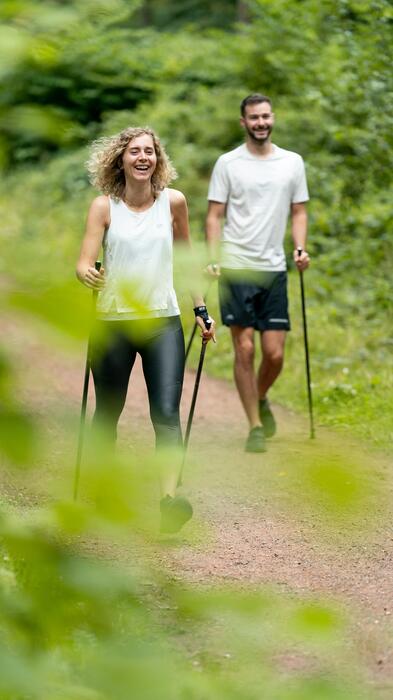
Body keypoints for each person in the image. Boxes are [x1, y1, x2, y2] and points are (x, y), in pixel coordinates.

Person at [76, 126, 215, 532]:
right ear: (120, 159)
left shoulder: (173, 203)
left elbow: (187, 261)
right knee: (107, 412)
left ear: (158, 159)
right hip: (113, 322)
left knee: (167, 414)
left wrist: (201, 309)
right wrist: (88, 274)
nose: (142, 157)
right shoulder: (103, 207)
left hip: (162, 322)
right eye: (134, 151)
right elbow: (84, 261)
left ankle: (169, 502)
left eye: (149, 151)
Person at [205, 93, 310, 453]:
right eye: (254, 117)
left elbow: (299, 211)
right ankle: (254, 427)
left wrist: (299, 246)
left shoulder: (292, 163)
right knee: (245, 348)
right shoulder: (228, 163)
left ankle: (259, 397)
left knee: (275, 354)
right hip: (236, 264)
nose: (260, 123)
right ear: (243, 122)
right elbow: (214, 215)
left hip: (273, 267)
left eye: (265, 116)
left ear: (273, 118)